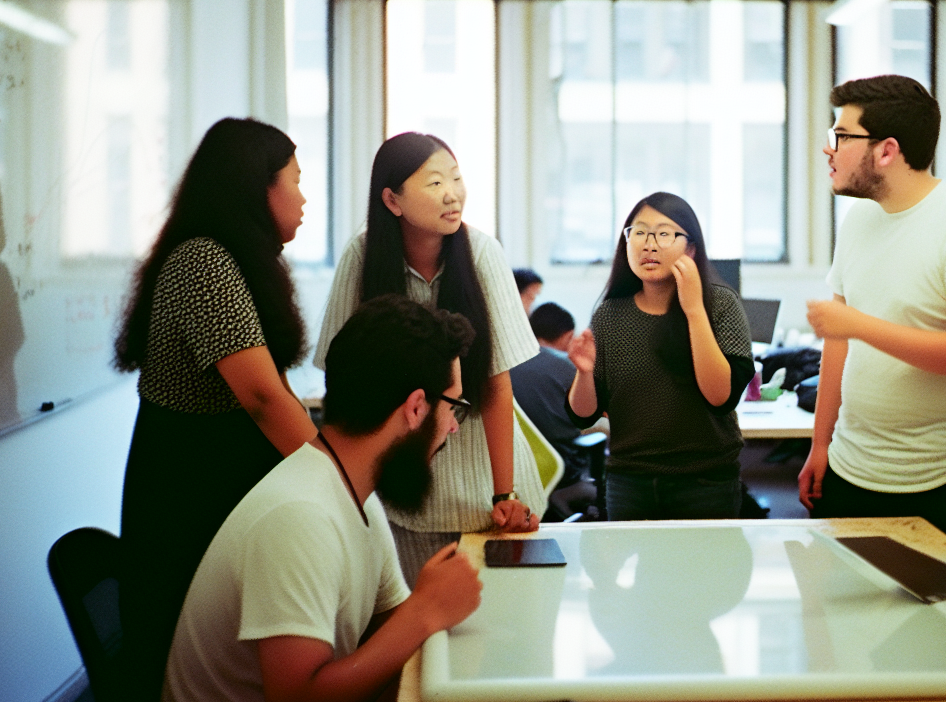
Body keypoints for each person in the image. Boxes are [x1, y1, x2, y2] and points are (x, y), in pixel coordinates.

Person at [155, 295, 484, 702]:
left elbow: (388, 669)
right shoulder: (300, 517)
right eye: (454, 406)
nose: (452, 427)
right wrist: (426, 611)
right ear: (415, 407)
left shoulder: (355, 494)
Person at [114, 118, 320, 702]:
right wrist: (334, 476)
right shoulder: (204, 259)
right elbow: (259, 396)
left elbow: (267, 386)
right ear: (258, 189)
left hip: (208, 477)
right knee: (192, 664)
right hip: (187, 487)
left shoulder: (237, 258)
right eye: (296, 182)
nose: (304, 198)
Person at [315, 133, 542, 584]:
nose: (452, 193)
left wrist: (505, 492)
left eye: (456, 178)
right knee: (420, 640)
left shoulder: (482, 254)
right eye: (435, 182)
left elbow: (497, 386)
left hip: (490, 497)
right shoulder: (361, 257)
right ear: (392, 200)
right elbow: (342, 383)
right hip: (404, 498)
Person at [799, 75, 946, 550]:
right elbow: (838, 342)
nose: (828, 150)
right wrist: (820, 443)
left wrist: (859, 326)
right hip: (851, 465)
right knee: (843, 618)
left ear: (886, 151)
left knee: (921, 619)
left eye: (842, 136)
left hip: (938, 478)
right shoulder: (858, 221)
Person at [568, 192, 753, 521]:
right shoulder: (610, 315)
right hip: (630, 481)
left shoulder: (721, 305)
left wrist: (694, 309)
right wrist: (584, 373)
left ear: (691, 249)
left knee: (707, 573)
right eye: (638, 232)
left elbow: (721, 397)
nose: (649, 244)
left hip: (705, 481)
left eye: (664, 233)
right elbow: (584, 415)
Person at [511, 301, 600, 519]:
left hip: (516, 466)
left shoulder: (506, 363)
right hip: (564, 467)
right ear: (568, 336)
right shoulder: (568, 367)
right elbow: (587, 416)